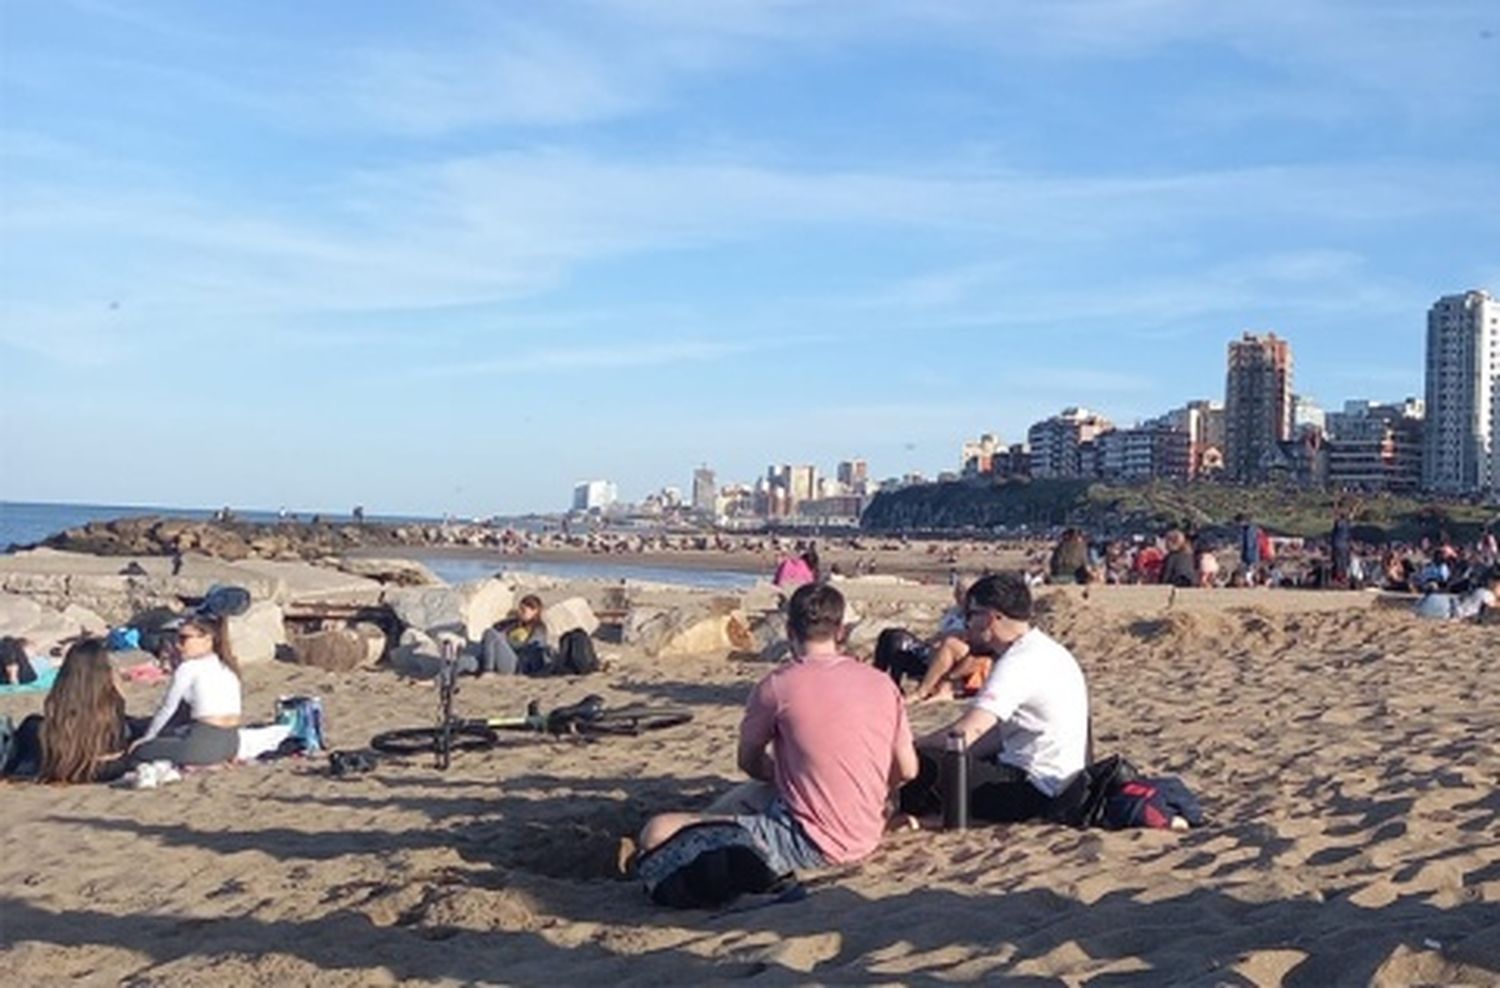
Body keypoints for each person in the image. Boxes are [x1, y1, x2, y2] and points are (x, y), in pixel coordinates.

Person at [637, 583, 918, 876]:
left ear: (788, 631)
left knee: (656, 831)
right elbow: (908, 769)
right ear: (841, 632)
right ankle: (710, 823)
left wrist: (775, 772)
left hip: (809, 842)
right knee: (751, 795)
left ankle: (700, 831)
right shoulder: (882, 684)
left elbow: (748, 761)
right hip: (867, 830)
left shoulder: (778, 686)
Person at [900, 572, 1090, 824]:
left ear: (990, 618)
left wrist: (915, 746)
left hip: (1033, 788)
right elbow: (997, 735)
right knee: (940, 759)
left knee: (922, 765)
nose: (966, 624)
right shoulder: (1048, 650)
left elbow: (968, 732)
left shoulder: (1018, 662)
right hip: (1062, 781)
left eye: (970, 615)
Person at [6, 638, 141, 783]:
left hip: (68, 764)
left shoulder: (64, 695)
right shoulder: (111, 698)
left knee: (31, 724)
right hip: (107, 768)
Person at [129, 614, 242, 767]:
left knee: (140, 750)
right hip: (232, 744)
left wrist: (148, 738)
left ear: (208, 640)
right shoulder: (227, 668)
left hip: (203, 743)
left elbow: (167, 708)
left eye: (184, 638)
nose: (177, 645)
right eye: (177, 638)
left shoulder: (189, 668)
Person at [474, 594, 549, 676]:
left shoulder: (538, 629)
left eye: (523, 610)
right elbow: (496, 627)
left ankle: (488, 670)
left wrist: (506, 640)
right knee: (471, 656)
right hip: (501, 656)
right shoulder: (514, 624)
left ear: (535, 611)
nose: (520, 613)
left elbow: (531, 650)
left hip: (516, 664)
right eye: (519, 609)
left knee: (490, 633)